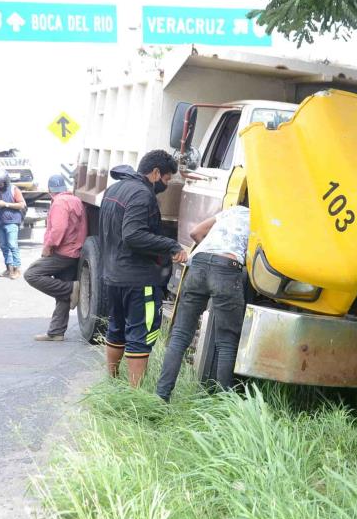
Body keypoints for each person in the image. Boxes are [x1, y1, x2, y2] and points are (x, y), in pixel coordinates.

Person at [99, 151, 187, 387]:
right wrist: (171, 245)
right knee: (142, 334)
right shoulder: (142, 194)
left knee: (116, 329)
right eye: (167, 179)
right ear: (156, 172)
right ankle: (134, 394)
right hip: (139, 279)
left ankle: (112, 382)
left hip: (113, 276)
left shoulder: (115, 189)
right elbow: (133, 235)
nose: (165, 185)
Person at [156, 203, 250, 402]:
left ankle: (161, 397)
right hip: (227, 268)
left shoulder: (230, 212)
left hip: (198, 264)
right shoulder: (262, 220)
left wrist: (210, 255)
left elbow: (195, 232)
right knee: (226, 341)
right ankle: (224, 405)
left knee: (180, 335)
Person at [24, 175, 88, 341]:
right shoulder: (75, 200)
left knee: (32, 274)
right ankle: (56, 332)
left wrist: (48, 247)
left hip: (63, 252)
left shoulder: (59, 203)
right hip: (75, 251)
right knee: (62, 292)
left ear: (49, 191)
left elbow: (59, 228)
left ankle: (72, 288)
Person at [0, 169, 26, 280]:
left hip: (12, 222)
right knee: (4, 246)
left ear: (6, 181)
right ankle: (8, 268)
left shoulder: (13, 189)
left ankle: (17, 269)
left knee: (12, 245)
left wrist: (5, 204)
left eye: (1, 182)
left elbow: (21, 205)